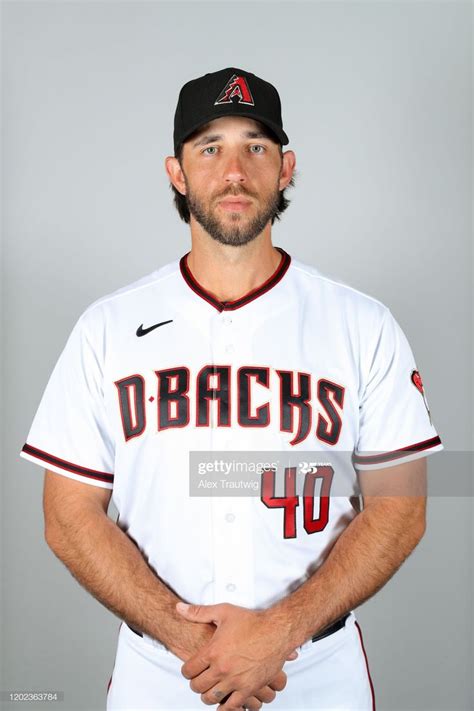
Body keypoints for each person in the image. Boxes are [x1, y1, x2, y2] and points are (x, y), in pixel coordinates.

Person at [20, 67, 444, 711]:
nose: (235, 170)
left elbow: (401, 507)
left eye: (257, 146)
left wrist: (280, 632)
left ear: (286, 167)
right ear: (177, 172)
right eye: (210, 148)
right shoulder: (106, 328)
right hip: (161, 674)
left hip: (316, 671)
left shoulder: (362, 324)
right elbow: (67, 516)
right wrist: (192, 640)